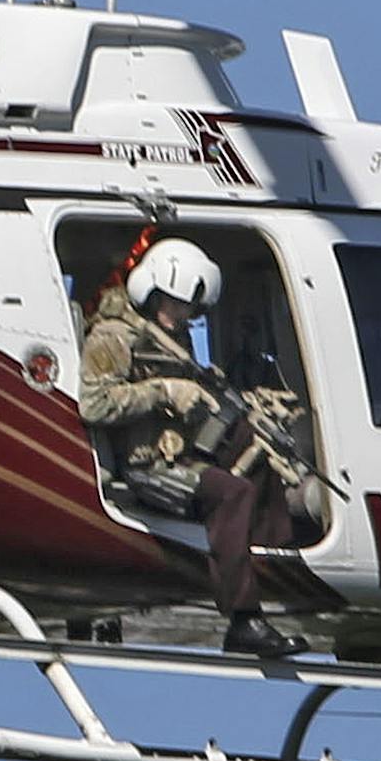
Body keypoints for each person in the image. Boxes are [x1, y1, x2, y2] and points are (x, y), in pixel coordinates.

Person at [78, 237, 308, 658]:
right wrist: (163, 391)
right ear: (151, 293)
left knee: (258, 453)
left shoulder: (171, 338)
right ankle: (243, 620)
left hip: (178, 452)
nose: (183, 315)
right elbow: (95, 404)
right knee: (230, 493)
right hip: (147, 467)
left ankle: (279, 570)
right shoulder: (114, 337)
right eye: (176, 304)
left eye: (189, 309)